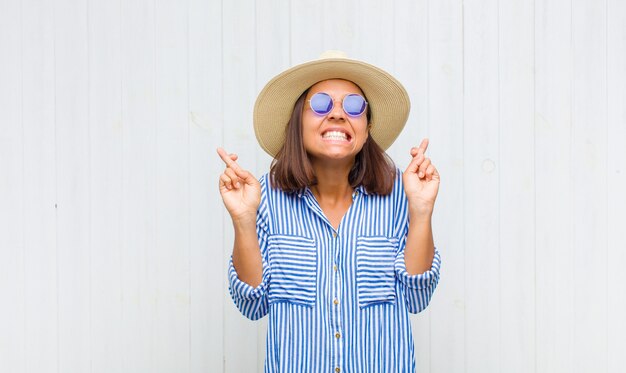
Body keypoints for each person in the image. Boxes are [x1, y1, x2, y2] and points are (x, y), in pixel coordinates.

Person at [217, 51, 441, 373]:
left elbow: (417, 297)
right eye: (321, 104)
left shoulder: (400, 197)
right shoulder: (263, 199)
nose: (338, 114)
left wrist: (420, 211)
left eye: (353, 106)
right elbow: (252, 304)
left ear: (366, 127)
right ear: (298, 123)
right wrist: (243, 220)